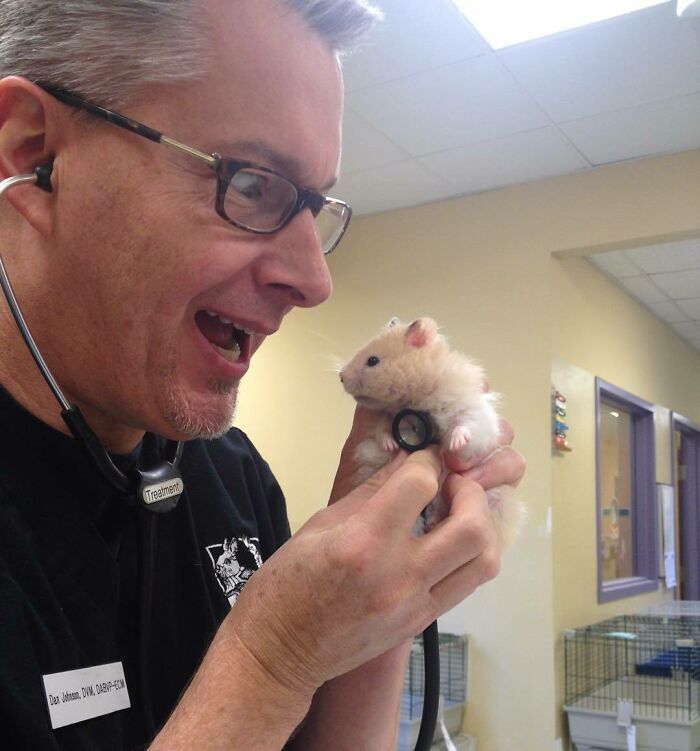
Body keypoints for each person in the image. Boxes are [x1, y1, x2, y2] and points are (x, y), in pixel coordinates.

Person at [0, 0, 526, 749]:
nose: (316, 280)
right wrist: (267, 663)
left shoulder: (232, 478)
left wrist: (388, 596)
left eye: (314, 205)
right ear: (34, 152)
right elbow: (270, 679)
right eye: (250, 183)